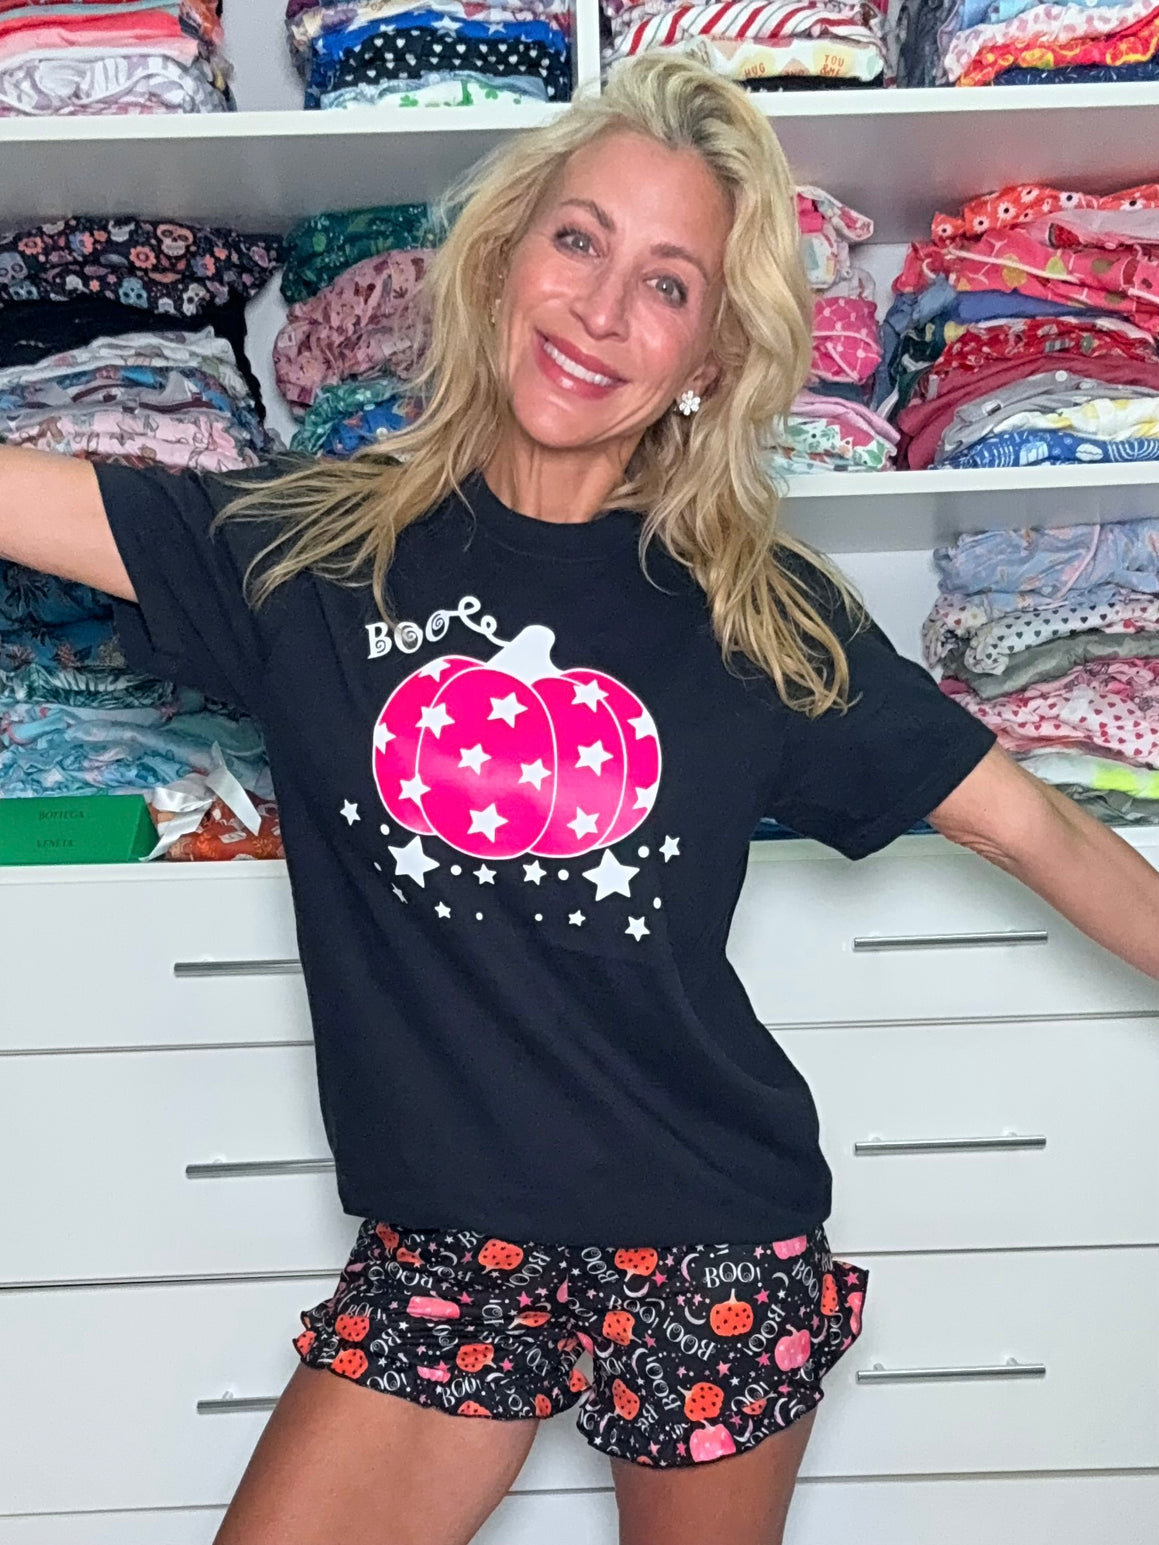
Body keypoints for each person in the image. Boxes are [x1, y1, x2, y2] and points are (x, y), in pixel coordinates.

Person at [2, 51, 1158, 1545]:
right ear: (501, 262)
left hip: (709, 1237)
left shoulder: (758, 614)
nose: (606, 311)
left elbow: (1034, 821)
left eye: (670, 284)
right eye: (580, 241)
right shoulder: (304, 555)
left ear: (711, 359)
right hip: (449, 1251)